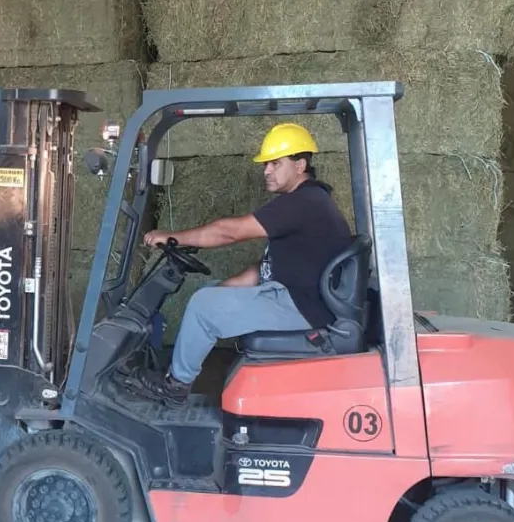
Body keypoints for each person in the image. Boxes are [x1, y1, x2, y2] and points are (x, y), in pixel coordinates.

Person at [124, 123, 352, 408]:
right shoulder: (307, 201)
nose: (266, 170)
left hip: (301, 306)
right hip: (294, 297)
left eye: (275, 163)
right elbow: (266, 267)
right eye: (266, 164)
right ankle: (176, 375)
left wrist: (171, 237)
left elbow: (228, 232)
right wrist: (225, 288)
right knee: (210, 294)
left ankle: (175, 386)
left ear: (300, 165)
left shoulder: (303, 202)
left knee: (204, 305)